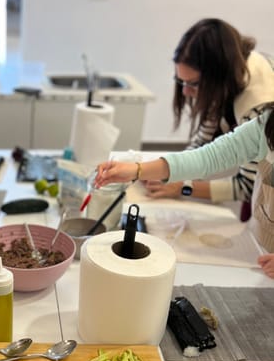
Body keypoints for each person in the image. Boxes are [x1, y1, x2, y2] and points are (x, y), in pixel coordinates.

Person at [95, 106, 274, 279]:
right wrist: (137, 169)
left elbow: (241, 187)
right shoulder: (266, 123)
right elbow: (208, 157)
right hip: (259, 250)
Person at [145, 19, 274, 216]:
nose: (186, 91)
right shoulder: (234, 68)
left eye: (193, 84)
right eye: (181, 82)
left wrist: (182, 186)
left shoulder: (259, 109)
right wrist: (169, 171)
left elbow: (246, 186)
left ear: (218, 78)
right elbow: (201, 147)